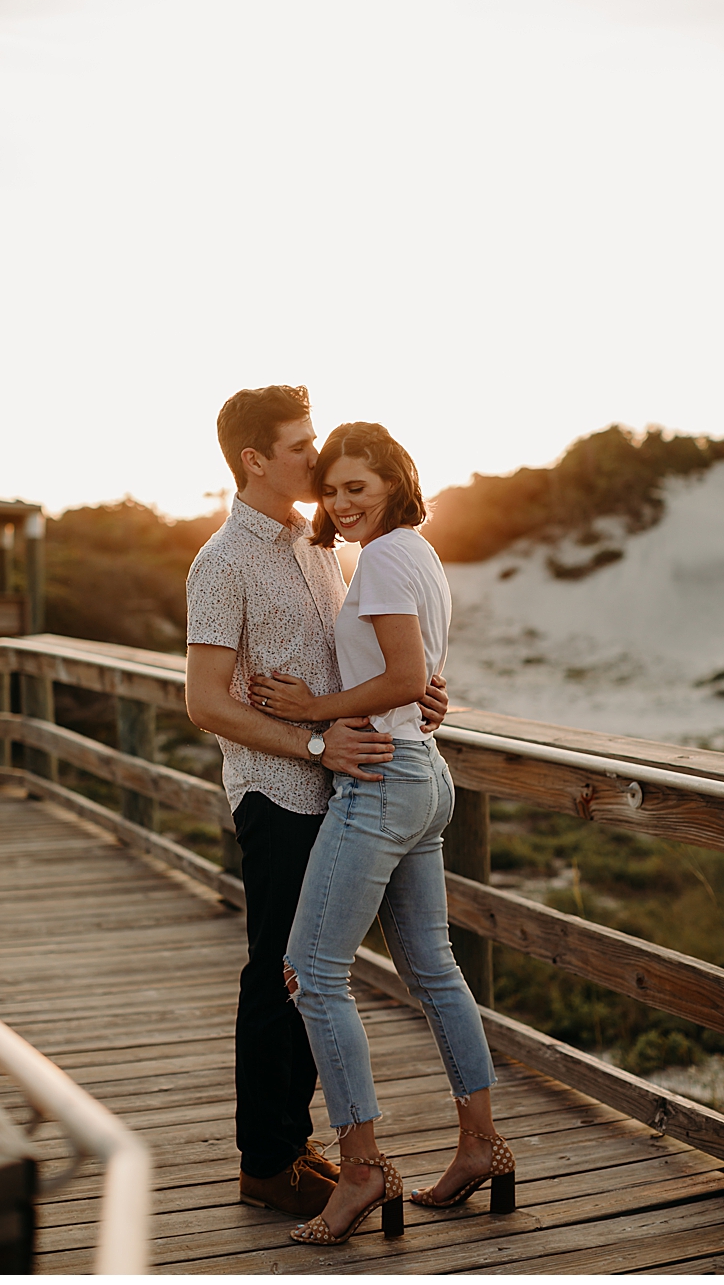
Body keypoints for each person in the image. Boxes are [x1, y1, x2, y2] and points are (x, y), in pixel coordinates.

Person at [184, 386, 448, 1222]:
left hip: (341, 785)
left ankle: (297, 1144)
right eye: (300, 446)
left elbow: (352, 663)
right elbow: (204, 701)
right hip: (278, 791)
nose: (316, 455)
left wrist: (414, 698)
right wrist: (310, 744)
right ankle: (265, 1162)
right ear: (254, 459)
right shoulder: (222, 561)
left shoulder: (316, 544)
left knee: (311, 975)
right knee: (280, 974)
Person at [250, 421, 513, 1246]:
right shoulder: (417, 552)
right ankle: (482, 1147)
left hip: (385, 777)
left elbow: (401, 676)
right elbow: (419, 678)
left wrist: (312, 713)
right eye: (329, 490)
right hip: (423, 771)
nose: (339, 503)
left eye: (356, 487)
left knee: (311, 973)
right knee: (434, 970)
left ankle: (362, 1168)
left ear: (394, 481)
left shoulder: (390, 556)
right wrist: (409, 699)